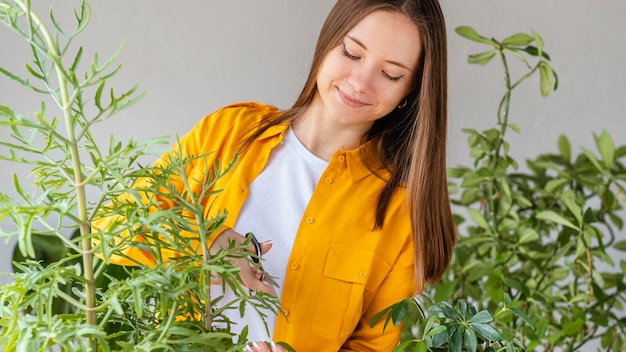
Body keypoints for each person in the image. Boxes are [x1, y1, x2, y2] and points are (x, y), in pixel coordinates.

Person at [93, 0, 456, 351]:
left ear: (411, 90)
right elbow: (111, 223)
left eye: (391, 74)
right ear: (328, 42)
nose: (360, 82)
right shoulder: (228, 132)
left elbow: (370, 347)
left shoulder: (400, 214)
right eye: (351, 53)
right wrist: (206, 241)